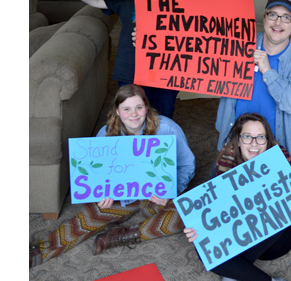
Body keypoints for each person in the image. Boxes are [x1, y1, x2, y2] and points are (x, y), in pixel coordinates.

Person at [29, 84, 195, 268]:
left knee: (189, 216)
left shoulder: (167, 129)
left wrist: (171, 191)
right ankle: (39, 251)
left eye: (139, 107)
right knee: (87, 218)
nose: (134, 114)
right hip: (121, 198)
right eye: (126, 109)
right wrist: (99, 195)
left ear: (146, 108)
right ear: (117, 111)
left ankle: (123, 235)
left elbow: (187, 165)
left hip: (155, 197)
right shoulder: (106, 134)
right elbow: (96, 175)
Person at [184, 113, 291, 281]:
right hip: (239, 235)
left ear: (267, 139)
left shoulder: (280, 156)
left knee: (275, 212)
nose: (255, 143)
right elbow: (219, 212)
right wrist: (198, 228)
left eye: (261, 137)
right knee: (203, 246)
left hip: (275, 240)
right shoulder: (226, 159)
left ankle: (232, 273)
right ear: (237, 140)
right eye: (247, 137)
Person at [54, 0, 193, 118]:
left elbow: (183, 17)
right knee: (132, 118)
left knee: (163, 115)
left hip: (167, 71)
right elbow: (96, 0)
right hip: (131, 68)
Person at [213, 0, 291, 184]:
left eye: (286, 17)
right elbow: (195, 44)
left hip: (275, 147)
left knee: (286, 211)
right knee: (221, 208)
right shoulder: (240, 42)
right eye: (273, 15)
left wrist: (267, 71)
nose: (278, 23)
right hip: (234, 143)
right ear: (264, 17)